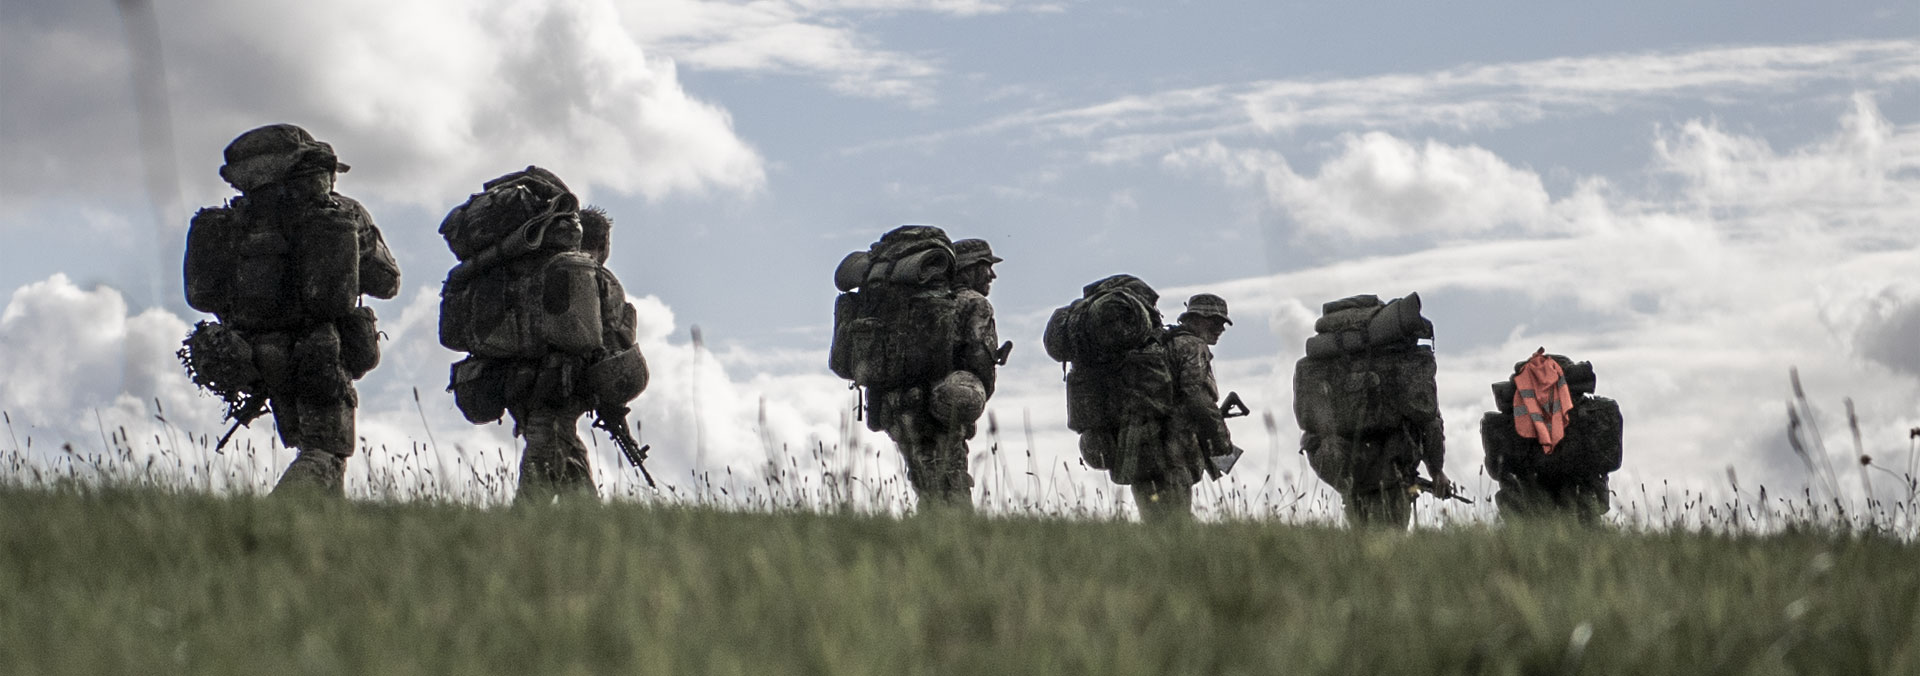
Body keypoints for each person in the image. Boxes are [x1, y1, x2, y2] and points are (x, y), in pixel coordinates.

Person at [181, 123, 401, 495]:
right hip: (320, 353)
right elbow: (387, 281)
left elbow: (206, 294)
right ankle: (278, 518)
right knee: (325, 452)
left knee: (313, 449)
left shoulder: (235, 220)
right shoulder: (342, 214)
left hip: (256, 355)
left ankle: (317, 543)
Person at [437, 167, 648, 502]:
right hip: (558, 386)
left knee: (566, 455)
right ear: (603, 241)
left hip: (514, 382)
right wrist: (613, 399)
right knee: (544, 452)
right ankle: (518, 530)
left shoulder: (519, 269)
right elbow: (613, 346)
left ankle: (588, 528)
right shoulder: (591, 276)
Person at [830, 228, 1000, 510]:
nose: (991, 276)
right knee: (952, 483)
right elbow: (979, 362)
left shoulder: (906, 301)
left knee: (926, 479)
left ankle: (930, 532)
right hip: (938, 409)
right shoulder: (974, 303)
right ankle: (952, 541)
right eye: (986, 267)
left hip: (893, 404)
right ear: (968, 269)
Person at [1293, 293, 1451, 528]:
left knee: (1360, 549)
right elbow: (1428, 420)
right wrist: (1437, 470)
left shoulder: (1326, 363)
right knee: (1391, 549)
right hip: (1391, 474)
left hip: (1347, 471)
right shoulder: (1402, 361)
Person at [1480, 350, 1622, 524]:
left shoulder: (1506, 425)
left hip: (1527, 519)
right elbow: (1611, 462)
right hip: (1581, 515)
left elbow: (1496, 471)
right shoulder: (1593, 417)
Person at [1132, 293, 1238, 521]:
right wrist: (1222, 443)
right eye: (1215, 321)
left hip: (1139, 449)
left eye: (1222, 323)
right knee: (1177, 523)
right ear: (1195, 318)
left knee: (1153, 523)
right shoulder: (1192, 346)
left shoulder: (1161, 344)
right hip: (1174, 451)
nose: (1220, 328)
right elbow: (1197, 399)